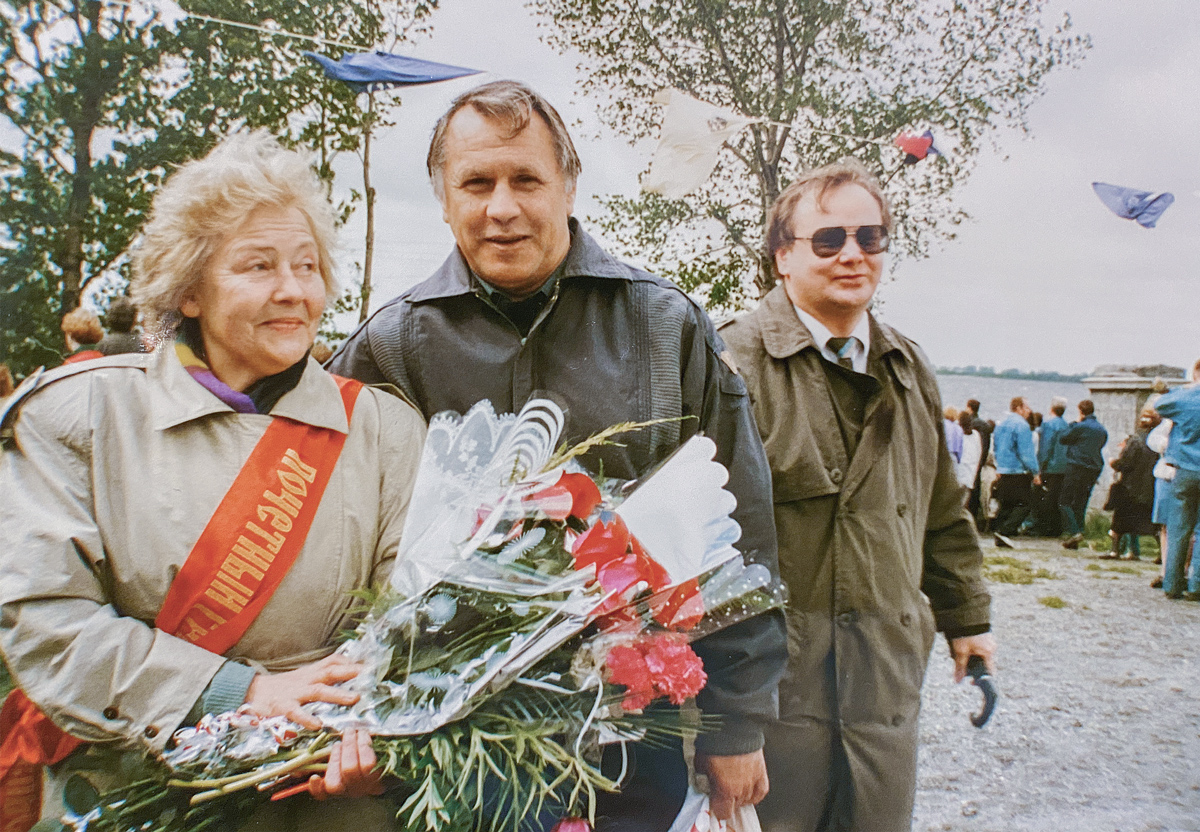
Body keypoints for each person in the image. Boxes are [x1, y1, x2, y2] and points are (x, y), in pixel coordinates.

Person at [328, 80, 787, 830]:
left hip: (636, 739)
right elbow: (327, 535)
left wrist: (737, 722)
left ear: (569, 185)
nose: (501, 207)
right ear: (443, 198)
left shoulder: (663, 326)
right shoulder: (390, 346)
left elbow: (743, 531)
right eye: (476, 182)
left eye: (526, 180)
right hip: (450, 746)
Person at [0, 133, 426, 831]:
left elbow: (416, 621)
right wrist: (236, 691)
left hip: (326, 801)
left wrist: (377, 731)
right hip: (135, 791)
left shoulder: (383, 429)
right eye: (257, 266)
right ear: (190, 290)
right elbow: (50, 625)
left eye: (307, 265)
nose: (293, 290)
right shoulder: (80, 415)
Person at [718, 160, 994, 832]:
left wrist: (967, 619)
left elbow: (940, 510)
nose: (852, 255)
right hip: (778, 696)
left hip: (882, 685)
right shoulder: (730, 362)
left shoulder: (907, 366)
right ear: (783, 255)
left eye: (869, 238)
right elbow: (698, 557)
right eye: (828, 239)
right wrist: (726, 723)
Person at [1152, 358, 1200, 600]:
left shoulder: (1186, 397)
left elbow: (1160, 404)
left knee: (1178, 528)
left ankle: (1172, 583)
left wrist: (1185, 389)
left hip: (1185, 469)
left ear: (1195, 373)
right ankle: (1197, 585)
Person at [1103, 407, 1160, 560]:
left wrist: (1113, 462)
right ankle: (1161, 554)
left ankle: (1115, 551)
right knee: (1152, 524)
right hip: (1150, 487)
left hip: (1129, 487)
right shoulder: (1158, 441)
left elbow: (1125, 464)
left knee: (1119, 522)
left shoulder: (1135, 440)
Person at [1058, 399, 1109, 549]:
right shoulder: (1102, 429)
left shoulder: (1080, 427)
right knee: (1082, 501)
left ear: (1080, 411)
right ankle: (1079, 530)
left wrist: (1073, 424)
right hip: (1094, 467)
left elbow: (1063, 438)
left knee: (1064, 501)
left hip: (1077, 465)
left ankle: (1074, 532)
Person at [991, 396, 1040, 548]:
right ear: (1018, 408)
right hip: (1018, 470)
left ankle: (1000, 533)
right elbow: (1026, 451)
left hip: (1003, 469)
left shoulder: (1001, 424)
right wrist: (1035, 471)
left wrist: (998, 466)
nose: (1029, 411)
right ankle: (1004, 531)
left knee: (1006, 505)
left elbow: (996, 447)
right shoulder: (1022, 426)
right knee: (1025, 504)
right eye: (1026, 407)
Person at [1033, 397, 1070, 536]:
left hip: (1051, 467)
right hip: (1064, 467)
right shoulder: (1066, 425)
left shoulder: (1049, 425)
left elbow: (1046, 447)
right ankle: (1057, 528)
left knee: (1045, 497)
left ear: (1051, 409)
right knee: (1057, 498)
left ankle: (1044, 528)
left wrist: (1040, 467)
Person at [963, 399, 992, 531]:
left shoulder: (970, 424)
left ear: (969, 408)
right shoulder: (985, 425)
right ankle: (975, 518)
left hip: (970, 460)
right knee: (976, 490)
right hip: (980, 460)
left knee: (969, 490)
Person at [957, 410, 983, 493]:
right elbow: (979, 451)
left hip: (960, 468)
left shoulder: (959, 433)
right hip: (972, 468)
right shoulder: (976, 434)